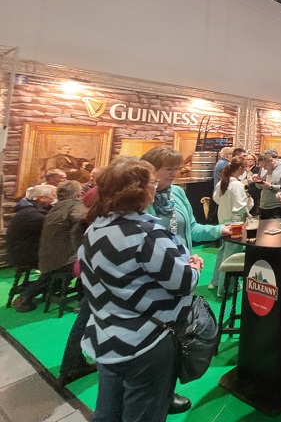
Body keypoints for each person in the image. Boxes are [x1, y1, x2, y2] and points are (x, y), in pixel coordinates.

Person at [78, 157, 203, 422]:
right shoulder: (146, 233)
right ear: (141, 190)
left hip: (107, 335)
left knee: (107, 412)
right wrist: (194, 267)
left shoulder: (95, 229)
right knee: (144, 413)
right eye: (153, 183)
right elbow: (183, 283)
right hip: (145, 340)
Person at [140, 147, 230, 415]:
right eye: (169, 169)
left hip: (181, 274)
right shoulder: (141, 198)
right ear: (151, 170)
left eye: (176, 168)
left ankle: (165, 392)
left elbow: (192, 229)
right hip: (154, 275)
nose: (174, 173)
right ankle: (154, 395)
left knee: (174, 338)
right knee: (154, 339)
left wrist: (220, 230)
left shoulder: (177, 193)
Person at [9, 183, 66, 312]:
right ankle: (26, 295)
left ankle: (33, 287)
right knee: (60, 266)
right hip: (25, 254)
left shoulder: (27, 208)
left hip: (21, 250)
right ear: (42, 198)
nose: (55, 199)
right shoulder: (35, 215)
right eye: (53, 196)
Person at [210, 156, 249, 295]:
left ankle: (215, 282)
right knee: (231, 255)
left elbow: (216, 199)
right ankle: (225, 288)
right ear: (240, 168)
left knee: (223, 252)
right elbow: (241, 206)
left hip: (223, 222)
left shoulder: (222, 182)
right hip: (235, 223)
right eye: (244, 168)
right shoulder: (237, 185)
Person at [254, 149, 281, 218]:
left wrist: (271, 186)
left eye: (265, 166)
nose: (264, 169)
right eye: (262, 167)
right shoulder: (263, 168)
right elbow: (259, 187)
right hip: (263, 205)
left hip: (276, 206)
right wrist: (257, 181)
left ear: (271, 160)